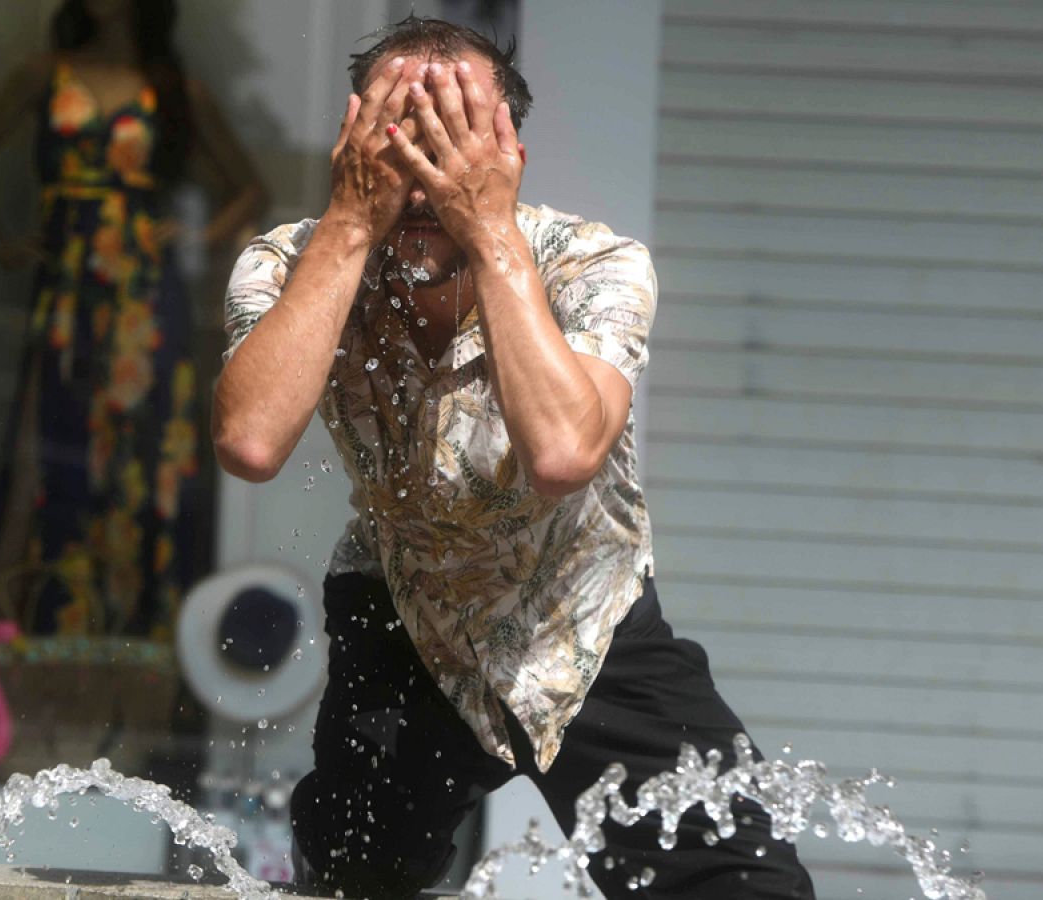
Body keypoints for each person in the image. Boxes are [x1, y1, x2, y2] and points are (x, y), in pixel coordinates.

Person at [213, 16, 817, 900]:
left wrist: (489, 232)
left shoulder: (594, 264)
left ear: (508, 155)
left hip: (580, 615)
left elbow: (565, 450)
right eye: (402, 138)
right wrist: (347, 223)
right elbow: (252, 441)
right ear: (354, 144)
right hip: (403, 613)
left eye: (456, 139)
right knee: (351, 883)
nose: (425, 178)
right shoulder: (290, 263)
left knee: (744, 883)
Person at [0, 0, 268, 637]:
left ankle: (139, 657)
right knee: (47, 452)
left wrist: (197, 236)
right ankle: (22, 647)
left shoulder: (173, 90)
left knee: (148, 461)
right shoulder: (45, 74)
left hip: (147, 297)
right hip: (67, 293)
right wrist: (4, 245)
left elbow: (249, 188)